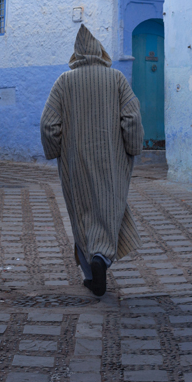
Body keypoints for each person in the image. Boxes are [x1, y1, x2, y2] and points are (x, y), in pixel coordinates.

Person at [40, 24, 144, 297]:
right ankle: (103, 260)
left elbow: (49, 124)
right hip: (112, 160)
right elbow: (131, 119)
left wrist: (56, 152)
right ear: (101, 53)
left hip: (76, 163)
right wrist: (133, 149)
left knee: (82, 213)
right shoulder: (117, 79)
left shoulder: (63, 81)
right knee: (111, 209)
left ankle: (92, 273)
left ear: (76, 55)